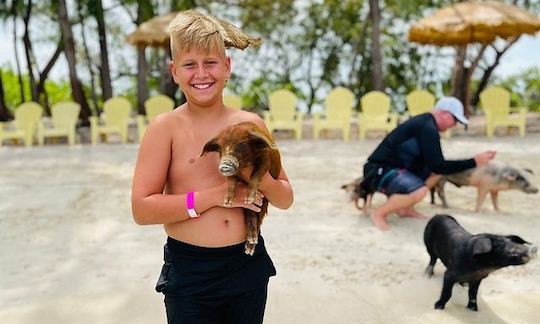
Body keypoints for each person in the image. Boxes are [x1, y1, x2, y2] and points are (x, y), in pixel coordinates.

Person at [131, 10, 293, 324]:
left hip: (247, 265)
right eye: (190, 65)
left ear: (227, 67)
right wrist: (215, 197)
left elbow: (285, 198)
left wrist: (256, 178)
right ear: (174, 71)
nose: (201, 74)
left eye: (211, 63)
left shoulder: (250, 124)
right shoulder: (165, 128)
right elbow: (142, 209)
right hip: (191, 272)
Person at [362, 96, 495, 230]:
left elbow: (436, 166)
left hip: (386, 169)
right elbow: (439, 165)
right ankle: (379, 213)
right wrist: (475, 161)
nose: (454, 125)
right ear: (444, 114)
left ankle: (405, 208)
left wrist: (473, 161)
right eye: (455, 120)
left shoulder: (426, 123)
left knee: (435, 174)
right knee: (419, 190)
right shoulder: (428, 128)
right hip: (378, 171)